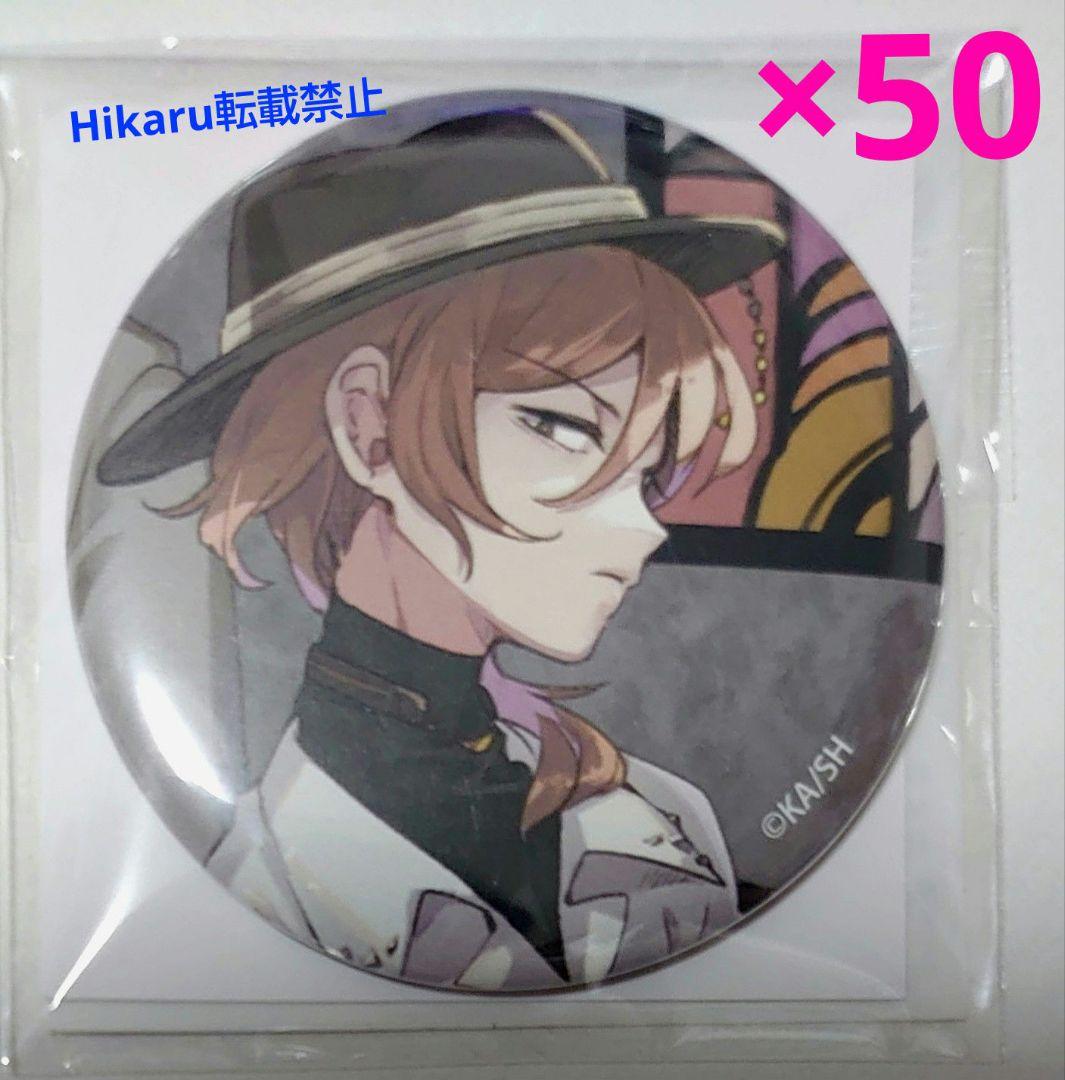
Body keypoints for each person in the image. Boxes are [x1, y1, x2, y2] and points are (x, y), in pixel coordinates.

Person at [97, 109, 784, 991]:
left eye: (645, 472)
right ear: (368, 425)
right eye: (564, 428)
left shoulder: (663, 823)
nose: (643, 528)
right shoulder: (250, 897)